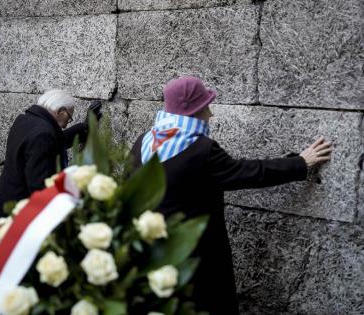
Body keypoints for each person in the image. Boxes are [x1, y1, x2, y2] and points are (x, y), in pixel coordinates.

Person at [130, 76, 332, 314]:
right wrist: (300, 163)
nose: (210, 113)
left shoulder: (143, 142)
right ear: (196, 111)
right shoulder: (201, 150)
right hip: (195, 260)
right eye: (206, 106)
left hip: (149, 255)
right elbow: (246, 173)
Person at [0, 89, 102, 219]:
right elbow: (39, 186)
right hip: (20, 213)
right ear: (60, 111)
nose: (68, 122)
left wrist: (85, 127)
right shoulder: (43, 135)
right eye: (69, 116)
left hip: (6, 202)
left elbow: (54, 140)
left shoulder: (25, 120)